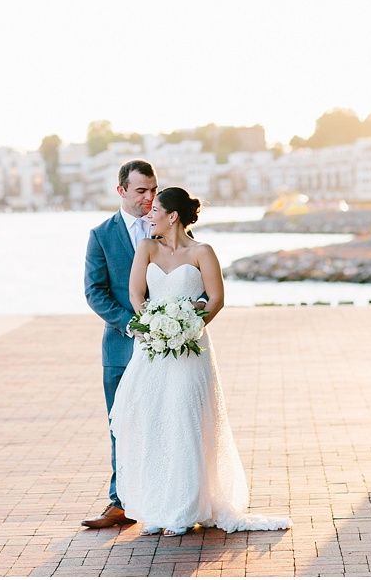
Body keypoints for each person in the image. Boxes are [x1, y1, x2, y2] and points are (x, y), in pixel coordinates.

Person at [109, 187, 291, 536]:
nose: (148, 215)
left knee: (185, 419)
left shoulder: (202, 251)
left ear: (172, 216)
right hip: (153, 348)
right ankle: (159, 508)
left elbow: (216, 299)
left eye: (155, 210)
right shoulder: (146, 247)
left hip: (190, 347)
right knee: (154, 420)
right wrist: (155, 328)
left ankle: (186, 507)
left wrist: (186, 328)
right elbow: (136, 294)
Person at [81, 159, 157, 529]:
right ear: (122, 191)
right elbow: (94, 293)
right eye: (141, 190)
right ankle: (120, 502)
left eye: (153, 190)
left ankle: (163, 498)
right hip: (121, 349)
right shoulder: (101, 235)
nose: (149, 197)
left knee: (164, 423)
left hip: (166, 350)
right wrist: (132, 325)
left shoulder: (165, 226)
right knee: (121, 426)